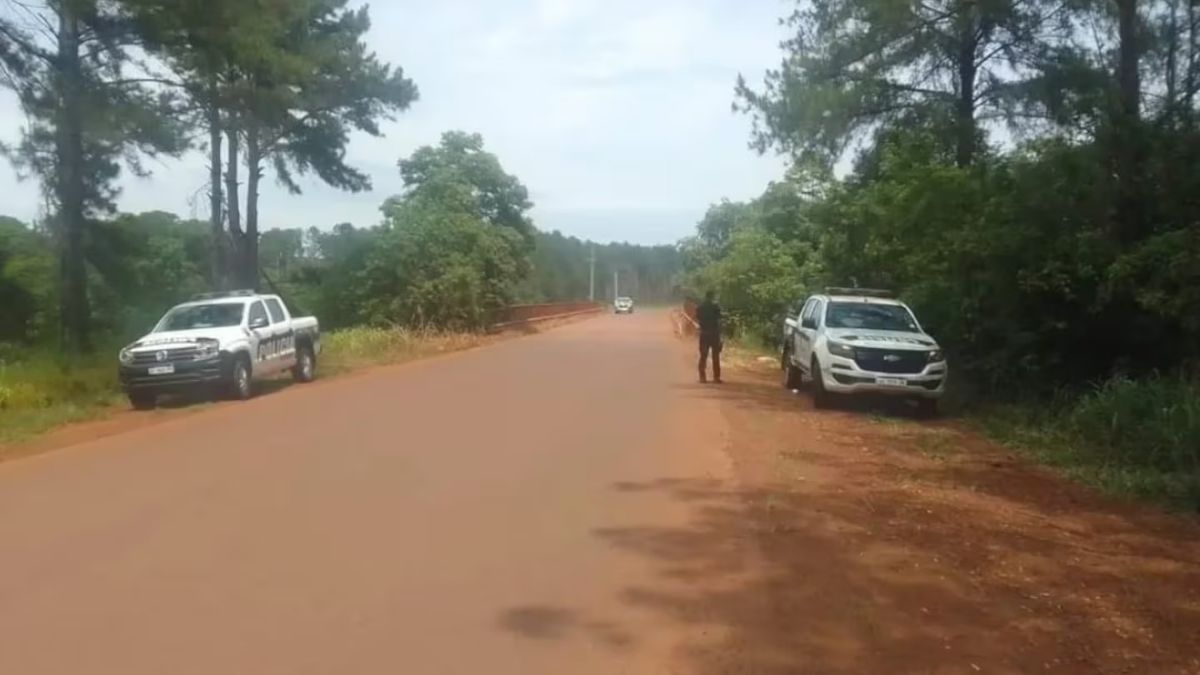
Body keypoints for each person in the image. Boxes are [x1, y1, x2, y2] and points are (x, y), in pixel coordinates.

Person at [696, 291, 722, 384]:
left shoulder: (700, 307)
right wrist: (721, 336)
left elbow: (698, 319)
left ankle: (702, 377)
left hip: (704, 333)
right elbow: (719, 322)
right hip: (714, 334)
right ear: (712, 297)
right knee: (716, 356)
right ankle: (716, 377)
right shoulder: (716, 307)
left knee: (703, 355)